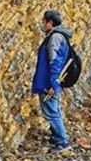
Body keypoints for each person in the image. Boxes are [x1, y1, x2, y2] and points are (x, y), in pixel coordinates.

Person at [31, 10, 73, 152]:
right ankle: (56, 136)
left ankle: (62, 141)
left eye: (44, 21)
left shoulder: (55, 37)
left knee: (51, 111)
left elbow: (55, 62)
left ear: (50, 23)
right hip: (50, 80)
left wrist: (53, 84)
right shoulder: (60, 36)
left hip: (49, 82)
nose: (42, 24)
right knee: (53, 109)